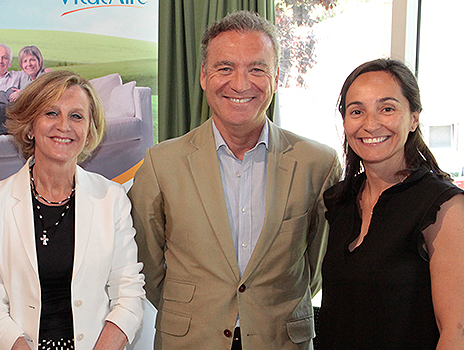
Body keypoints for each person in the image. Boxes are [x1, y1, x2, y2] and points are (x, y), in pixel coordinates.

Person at [128, 10, 341, 349]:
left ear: (276, 77)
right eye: (225, 68)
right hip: (191, 340)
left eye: (257, 69)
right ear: (203, 76)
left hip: (281, 340)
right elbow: (146, 264)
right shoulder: (161, 163)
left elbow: (316, 264)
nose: (240, 84)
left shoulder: (318, 164)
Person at [0, 70, 145, 350]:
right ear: (30, 126)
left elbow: (129, 293)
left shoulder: (112, 198)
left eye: (76, 116)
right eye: (51, 113)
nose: (64, 126)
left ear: (88, 132)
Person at [318, 58, 464, 349]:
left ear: (414, 118)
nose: (370, 124)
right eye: (357, 111)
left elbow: (456, 333)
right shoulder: (341, 200)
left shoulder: (444, 207)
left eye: (387, 109)